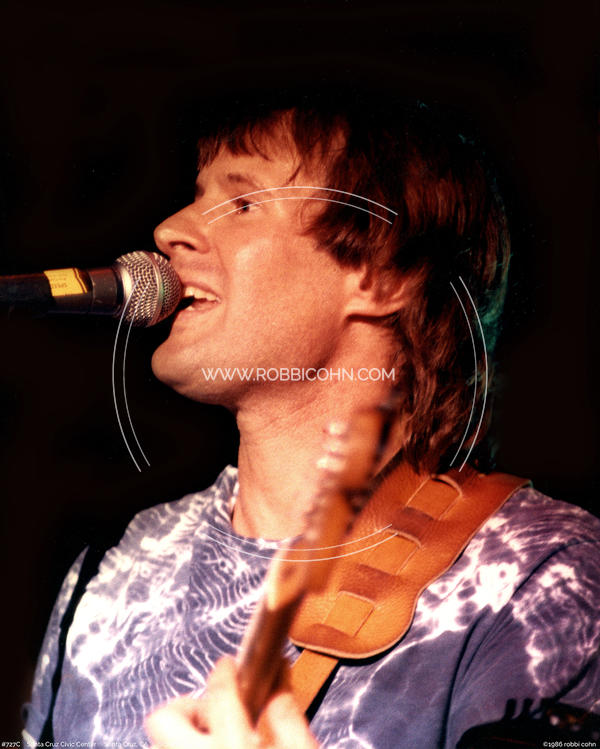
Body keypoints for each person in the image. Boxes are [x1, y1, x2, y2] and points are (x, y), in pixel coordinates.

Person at [23, 99, 600, 749]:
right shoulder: (112, 564)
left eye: (243, 204)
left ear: (384, 274)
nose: (168, 230)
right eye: (197, 194)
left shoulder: (538, 574)